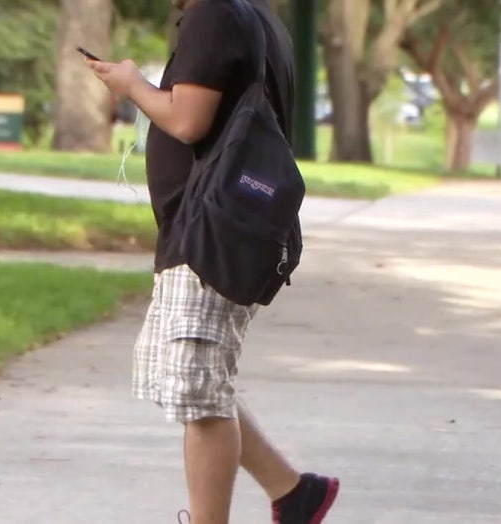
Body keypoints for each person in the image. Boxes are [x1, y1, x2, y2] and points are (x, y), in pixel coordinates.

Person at [85, 0, 339, 523]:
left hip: (210, 233)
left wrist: (133, 85)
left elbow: (186, 120)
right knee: (193, 380)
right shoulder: (257, 15)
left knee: (199, 393)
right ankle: (293, 494)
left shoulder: (214, 15)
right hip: (215, 228)